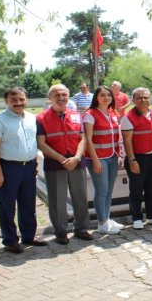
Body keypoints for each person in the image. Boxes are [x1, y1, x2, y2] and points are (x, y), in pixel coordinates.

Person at [0, 87, 48, 254]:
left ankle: (29, 235)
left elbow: (32, 143)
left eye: (21, 99)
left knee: (28, 204)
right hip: (8, 168)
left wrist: (34, 163)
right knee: (7, 205)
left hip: (28, 167)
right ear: (6, 101)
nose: (18, 103)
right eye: (14, 100)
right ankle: (10, 240)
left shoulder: (31, 118)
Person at [37, 85, 93, 244]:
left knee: (80, 197)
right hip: (55, 163)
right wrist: (62, 160)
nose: (61, 97)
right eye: (57, 95)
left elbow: (83, 139)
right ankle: (61, 231)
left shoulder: (76, 115)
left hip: (77, 162)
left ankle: (81, 228)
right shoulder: (41, 118)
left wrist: (76, 157)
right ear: (50, 98)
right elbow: (41, 144)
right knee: (57, 199)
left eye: (64, 94)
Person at [120, 87, 152, 229]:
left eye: (146, 97)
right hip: (137, 158)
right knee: (136, 190)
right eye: (139, 97)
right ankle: (137, 218)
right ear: (133, 100)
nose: (143, 100)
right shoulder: (128, 118)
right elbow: (127, 141)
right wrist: (132, 161)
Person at [83, 86, 126, 234]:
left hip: (112, 156)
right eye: (103, 95)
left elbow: (116, 136)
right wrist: (95, 161)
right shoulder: (90, 114)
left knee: (108, 191)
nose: (106, 97)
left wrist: (119, 155)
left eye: (109, 95)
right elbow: (88, 139)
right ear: (96, 97)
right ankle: (101, 223)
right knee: (101, 191)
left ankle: (106, 218)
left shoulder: (112, 113)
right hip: (98, 158)